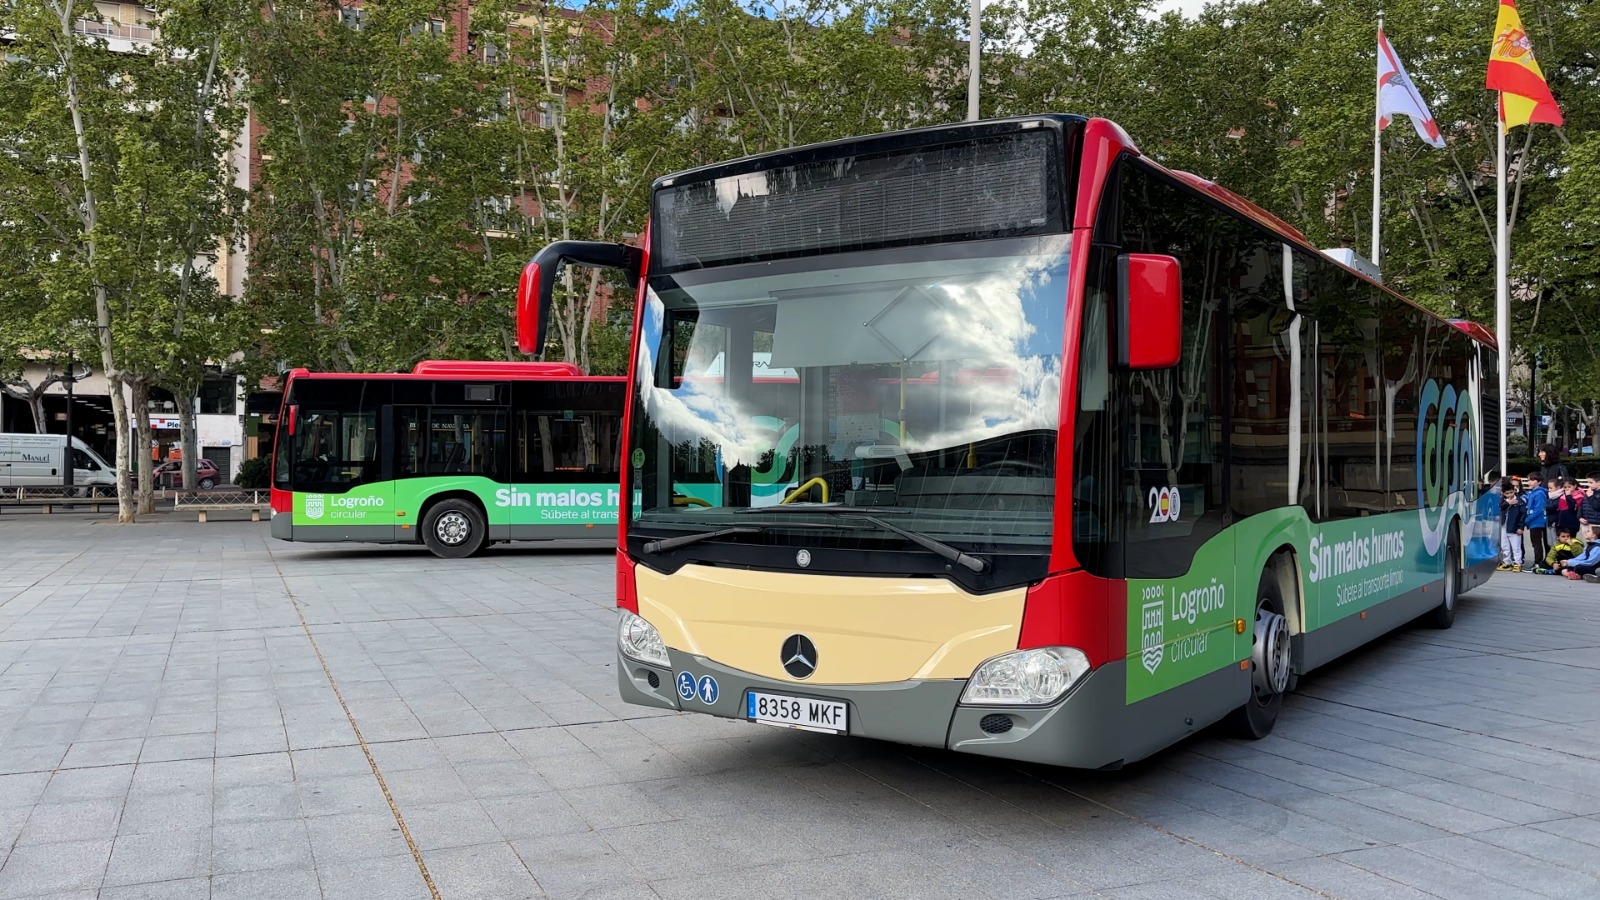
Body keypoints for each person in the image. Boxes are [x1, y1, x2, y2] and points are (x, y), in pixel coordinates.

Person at [1498, 479, 1527, 573]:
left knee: (1516, 546)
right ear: (1503, 493)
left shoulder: (1520, 501)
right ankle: (1507, 562)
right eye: (1507, 493)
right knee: (1504, 545)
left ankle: (1518, 563)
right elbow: (1500, 507)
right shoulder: (1502, 500)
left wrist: (1521, 527)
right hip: (1503, 526)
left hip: (1514, 527)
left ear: (1514, 490)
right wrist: (1507, 503)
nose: (1510, 495)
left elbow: (1523, 514)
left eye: (1511, 492)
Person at [1524, 473, 1550, 567]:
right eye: (1528, 480)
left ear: (1539, 482)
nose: (1529, 482)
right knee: (1536, 542)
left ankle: (1537, 562)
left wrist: (1527, 519)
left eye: (1532, 480)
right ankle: (1539, 561)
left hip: (1537, 521)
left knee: (1537, 543)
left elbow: (1539, 509)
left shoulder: (1539, 493)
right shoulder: (1532, 492)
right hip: (1534, 521)